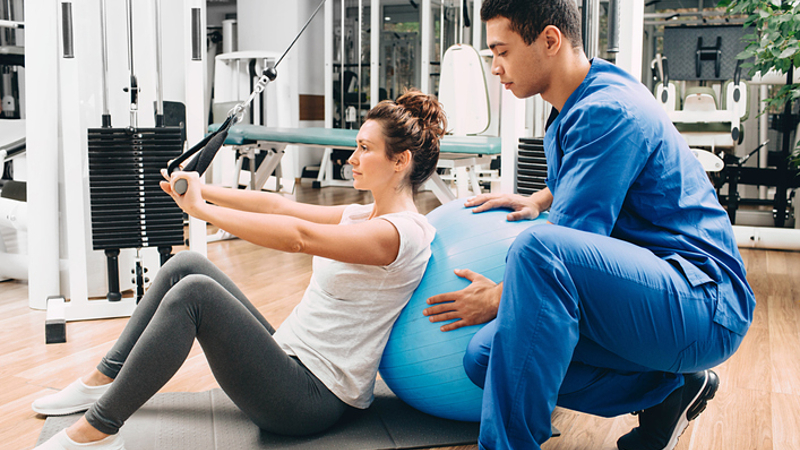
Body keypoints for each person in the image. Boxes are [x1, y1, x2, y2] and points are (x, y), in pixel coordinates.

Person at [422, 1, 755, 449]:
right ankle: (672, 390)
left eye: (501, 52)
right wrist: (539, 197)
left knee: (539, 249)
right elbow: (594, 176)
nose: (496, 68)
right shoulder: (577, 101)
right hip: (657, 296)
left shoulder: (607, 109)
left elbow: (565, 249)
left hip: (704, 302)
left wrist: (497, 297)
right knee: (487, 355)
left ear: (550, 40)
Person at [33, 89, 446, 450]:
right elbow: (278, 206)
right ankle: (101, 381)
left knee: (195, 295)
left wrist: (202, 211)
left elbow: (298, 236)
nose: (352, 158)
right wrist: (196, 186)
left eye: (365, 149)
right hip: (287, 359)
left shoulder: (400, 234)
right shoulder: (363, 215)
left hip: (312, 399)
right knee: (186, 264)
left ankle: (100, 430)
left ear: (400, 161)